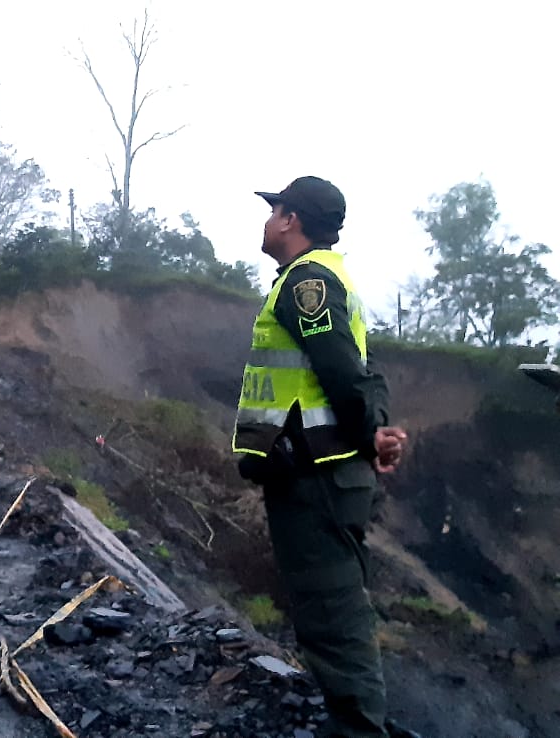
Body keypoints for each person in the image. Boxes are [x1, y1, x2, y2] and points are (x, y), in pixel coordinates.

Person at [234, 176, 413, 738]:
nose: (266, 221)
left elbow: (342, 371)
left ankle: (359, 730)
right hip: (321, 477)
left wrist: (368, 437)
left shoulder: (306, 282)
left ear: (291, 220)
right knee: (329, 613)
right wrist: (374, 432)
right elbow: (365, 369)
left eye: (275, 211)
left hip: (316, 480)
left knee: (334, 618)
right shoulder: (323, 280)